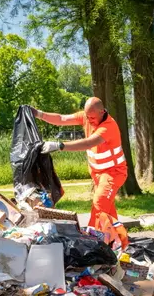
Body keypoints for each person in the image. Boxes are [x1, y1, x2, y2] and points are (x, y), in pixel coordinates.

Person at [31, 97, 127, 229]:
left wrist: (60, 145)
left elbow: (89, 143)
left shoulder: (109, 127)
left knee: (99, 203)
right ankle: (117, 240)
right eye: (87, 117)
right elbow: (61, 119)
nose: (89, 120)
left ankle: (93, 236)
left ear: (102, 112)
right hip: (97, 174)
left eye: (92, 117)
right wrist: (38, 114)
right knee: (108, 211)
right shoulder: (86, 117)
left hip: (113, 173)